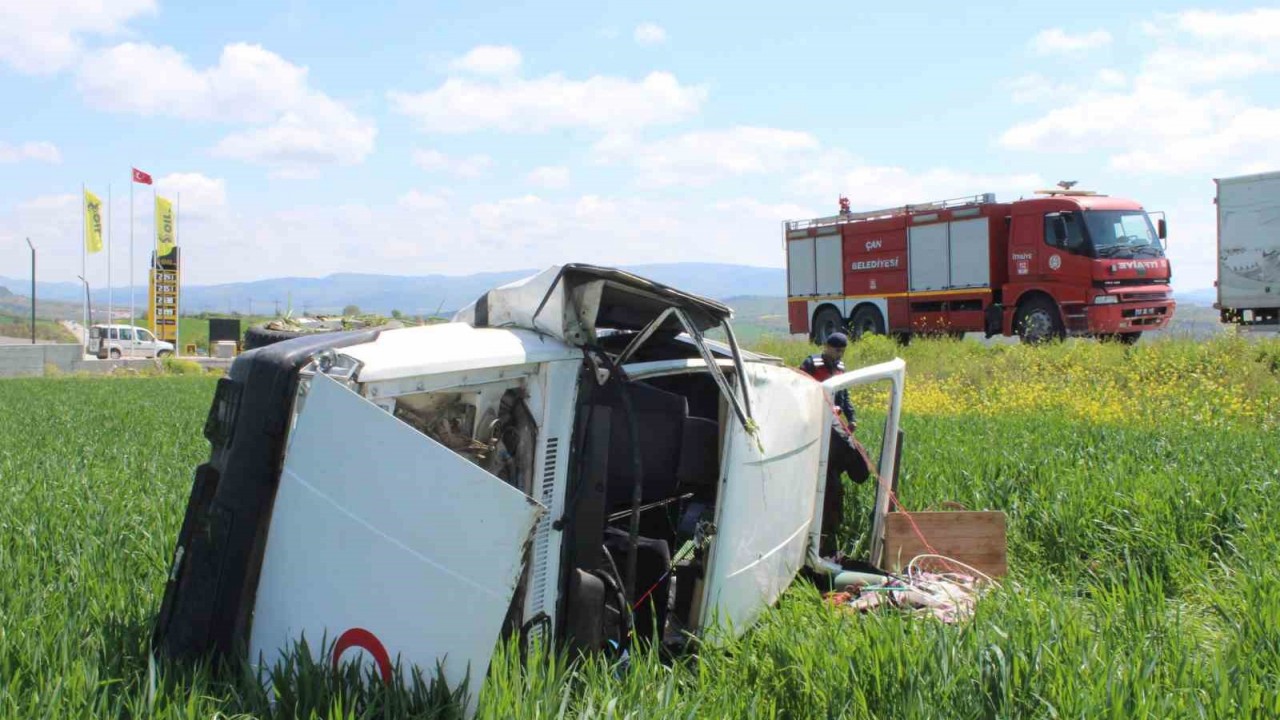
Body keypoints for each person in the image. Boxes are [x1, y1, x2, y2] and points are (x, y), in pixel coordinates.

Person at [800, 332, 856, 431]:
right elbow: (800, 389)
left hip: (833, 417)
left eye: (843, 351)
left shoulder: (840, 368)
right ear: (827, 347)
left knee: (845, 440)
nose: (840, 354)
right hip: (813, 415)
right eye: (837, 351)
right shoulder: (811, 363)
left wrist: (851, 419)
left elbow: (844, 395)